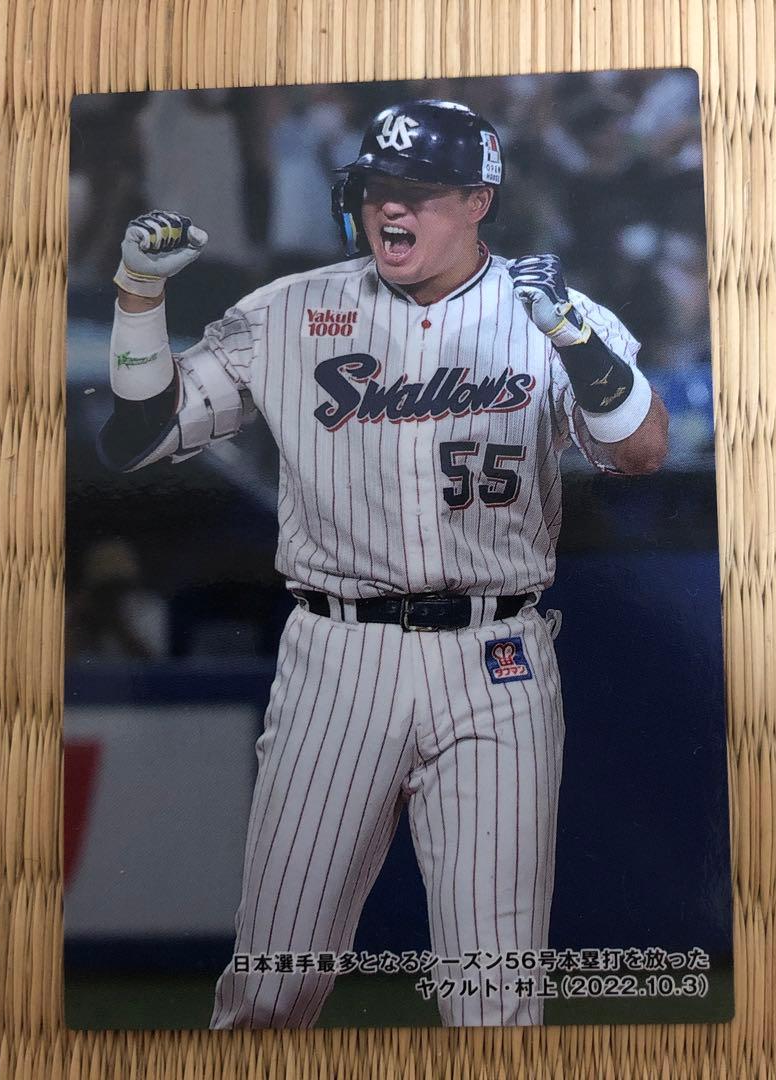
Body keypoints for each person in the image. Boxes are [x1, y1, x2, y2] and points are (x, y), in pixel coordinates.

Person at [98, 99, 668, 1028]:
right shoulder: (290, 310)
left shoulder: (547, 312)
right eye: (376, 188)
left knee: (494, 995)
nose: (391, 208)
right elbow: (139, 435)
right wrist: (137, 297)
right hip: (339, 654)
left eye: (420, 191)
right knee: (272, 986)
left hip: (497, 657)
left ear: (478, 200)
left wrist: (575, 338)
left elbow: (641, 450)